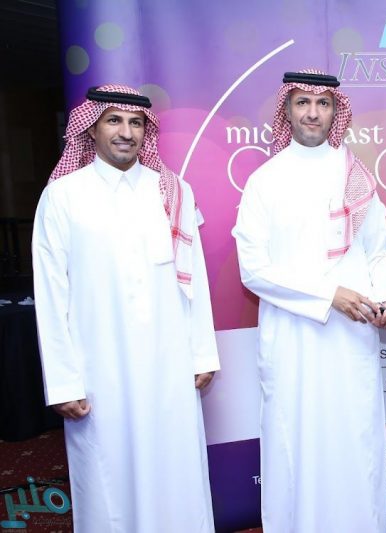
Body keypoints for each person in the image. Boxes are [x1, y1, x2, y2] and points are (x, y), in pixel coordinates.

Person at [32, 84, 220, 532]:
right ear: (91, 129)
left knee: (176, 471)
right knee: (108, 479)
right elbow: (51, 294)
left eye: (136, 123)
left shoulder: (173, 191)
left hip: (169, 364)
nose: (126, 132)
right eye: (114, 121)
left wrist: (202, 353)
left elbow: (195, 280)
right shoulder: (63, 196)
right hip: (100, 370)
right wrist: (63, 381)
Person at [232, 69, 386, 532]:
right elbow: (254, 269)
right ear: (287, 110)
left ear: (335, 112)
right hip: (293, 340)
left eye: (323, 103)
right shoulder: (265, 180)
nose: (313, 112)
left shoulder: (356, 177)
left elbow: (376, 255)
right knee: (295, 443)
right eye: (303, 103)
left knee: (354, 441)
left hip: (351, 338)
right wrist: (329, 295)